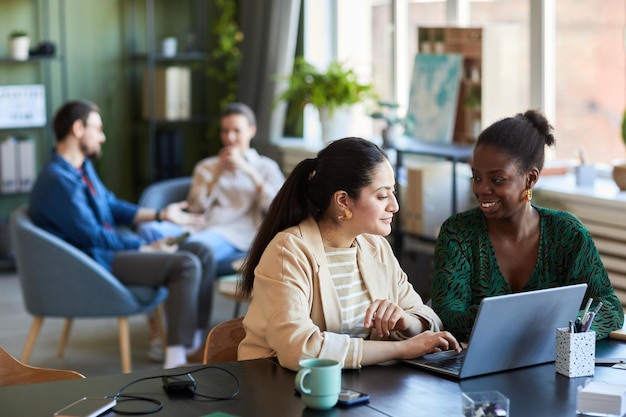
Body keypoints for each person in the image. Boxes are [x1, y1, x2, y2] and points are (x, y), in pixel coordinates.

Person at [237, 137, 460, 371]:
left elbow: (429, 318)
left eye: (393, 193)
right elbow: (300, 349)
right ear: (343, 200)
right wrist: (402, 349)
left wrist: (407, 323)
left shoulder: (376, 247)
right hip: (277, 389)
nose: (394, 205)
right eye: (382, 196)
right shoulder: (289, 251)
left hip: (356, 389)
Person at [29, 100, 215, 369]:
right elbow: (93, 236)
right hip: (96, 261)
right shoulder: (58, 180)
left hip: (108, 249)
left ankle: (196, 342)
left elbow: (111, 205)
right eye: (98, 128)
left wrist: (161, 214)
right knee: (184, 264)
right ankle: (176, 359)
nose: (102, 137)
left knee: (202, 251)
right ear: (78, 128)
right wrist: (144, 246)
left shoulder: (81, 168)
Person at [430, 109, 624, 342]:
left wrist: (540, 326)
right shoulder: (458, 233)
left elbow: (609, 309)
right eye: (477, 177)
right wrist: (539, 322)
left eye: (497, 179)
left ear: (530, 178)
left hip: (551, 368)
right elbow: (446, 315)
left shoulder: (567, 234)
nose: (482, 189)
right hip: (475, 369)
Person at [138, 102, 285, 277]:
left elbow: (277, 209)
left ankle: (175, 284)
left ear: (251, 131)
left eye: (236, 131)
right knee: (149, 229)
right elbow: (195, 208)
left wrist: (250, 172)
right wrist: (215, 176)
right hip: (199, 227)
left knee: (194, 245)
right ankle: (160, 289)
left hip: (235, 234)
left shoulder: (266, 167)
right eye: (225, 130)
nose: (230, 137)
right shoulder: (207, 166)